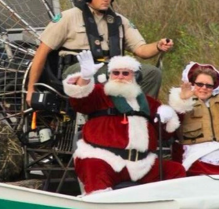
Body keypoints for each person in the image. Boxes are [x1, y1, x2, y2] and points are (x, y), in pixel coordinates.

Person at [26, 0, 174, 105]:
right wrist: (31, 89)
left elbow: (141, 50)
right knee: (108, 72)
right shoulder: (68, 18)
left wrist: (158, 46)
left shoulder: (119, 21)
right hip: (76, 69)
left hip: (111, 68)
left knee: (152, 74)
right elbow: (42, 53)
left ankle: (140, 114)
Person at [63, 51, 186, 195]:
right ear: (110, 75)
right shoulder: (99, 94)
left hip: (142, 164)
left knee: (175, 170)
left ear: (134, 76)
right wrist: (85, 78)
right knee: (93, 166)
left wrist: (172, 112)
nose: (120, 77)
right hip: (105, 159)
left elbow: (165, 133)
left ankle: (170, 206)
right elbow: (80, 100)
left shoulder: (148, 102)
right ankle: (101, 207)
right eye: (116, 73)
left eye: (125, 73)